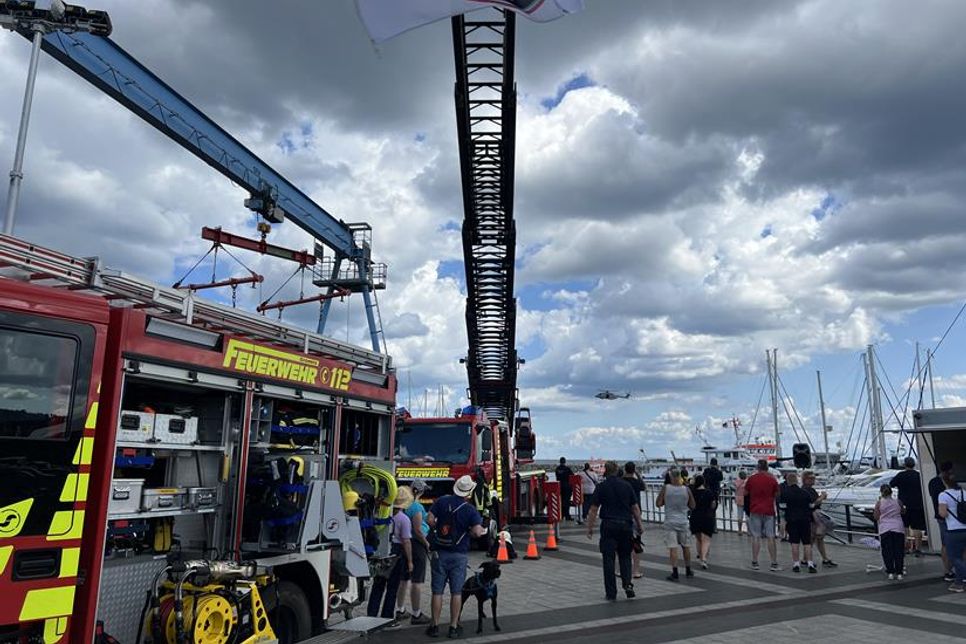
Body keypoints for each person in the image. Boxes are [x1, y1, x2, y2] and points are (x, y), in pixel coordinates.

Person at [426, 475, 486, 638]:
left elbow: (429, 519)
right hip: (459, 554)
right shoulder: (470, 510)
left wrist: (438, 529)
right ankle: (453, 627)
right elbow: (477, 532)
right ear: (469, 492)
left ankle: (434, 626)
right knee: (456, 592)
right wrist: (472, 532)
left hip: (440, 552)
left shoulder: (442, 501)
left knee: (437, 591)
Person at [585, 461, 644, 600]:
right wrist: (639, 525)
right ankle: (627, 584)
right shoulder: (627, 486)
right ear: (617, 471)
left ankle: (611, 592)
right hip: (625, 526)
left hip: (608, 525)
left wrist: (590, 528)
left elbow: (593, 509)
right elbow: (635, 508)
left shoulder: (601, 487)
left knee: (608, 559)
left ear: (605, 471)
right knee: (625, 556)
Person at [367, 487, 414, 628]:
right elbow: (406, 541)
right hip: (397, 554)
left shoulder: (381, 514)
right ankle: (386, 617)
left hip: (381, 552)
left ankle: (371, 616)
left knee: (377, 586)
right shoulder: (404, 519)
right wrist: (410, 560)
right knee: (392, 588)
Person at [396, 481, 432, 625]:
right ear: (418, 491)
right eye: (423, 491)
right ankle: (416, 613)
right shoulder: (416, 506)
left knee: (403, 579)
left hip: (404, 544)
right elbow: (417, 529)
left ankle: (400, 609)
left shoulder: (404, 506)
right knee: (417, 580)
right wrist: (426, 543)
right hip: (417, 545)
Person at [657, 467, 695, 580]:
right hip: (683, 521)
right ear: (679, 477)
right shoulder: (686, 489)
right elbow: (693, 505)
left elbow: (658, 503)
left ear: (671, 477)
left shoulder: (666, 488)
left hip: (670, 522)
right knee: (686, 546)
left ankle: (675, 572)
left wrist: (666, 501)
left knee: (673, 548)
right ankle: (688, 570)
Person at [745, 459, 781, 571]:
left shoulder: (752, 479)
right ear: (767, 467)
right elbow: (777, 494)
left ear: (758, 467)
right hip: (769, 510)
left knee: (756, 536)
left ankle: (755, 562)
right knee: (771, 536)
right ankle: (774, 563)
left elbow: (745, 492)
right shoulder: (772, 479)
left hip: (755, 509)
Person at [780, 472, 816, 573]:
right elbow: (811, 506)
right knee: (807, 543)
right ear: (796, 480)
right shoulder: (805, 493)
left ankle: (796, 564)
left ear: (788, 481)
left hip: (792, 520)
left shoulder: (785, 493)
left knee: (794, 543)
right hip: (805, 520)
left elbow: (782, 507)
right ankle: (810, 564)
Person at [890, 457, 926, 554]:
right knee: (917, 527)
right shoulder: (918, 475)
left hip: (904, 505)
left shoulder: (901, 475)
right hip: (918, 505)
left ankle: (905, 547)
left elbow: (891, 484)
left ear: (904, 465)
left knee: (904, 527)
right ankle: (918, 549)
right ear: (914, 465)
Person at [802, 471, 837, 567]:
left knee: (817, 538)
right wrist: (822, 497)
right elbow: (813, 504)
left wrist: (821, 498)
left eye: (814, 478)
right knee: (813, 538)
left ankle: (822, 558)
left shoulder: (810, 490)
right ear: (805, 479)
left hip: (814, 517)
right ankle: (807, 559)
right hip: (811, 517)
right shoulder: (806, 490)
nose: (813, 480)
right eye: (810, 478)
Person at [938, 472, 966, 592]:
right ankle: (958, 583)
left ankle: (962, 578)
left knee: (954, 557)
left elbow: (943, 513)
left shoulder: (943, 495)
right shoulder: (964, 492)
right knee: (963, 556)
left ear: (944, 482)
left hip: (953, 530)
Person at [928, 462, 956, 582]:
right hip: (951, 518)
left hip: (940, 517)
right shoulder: (950, 486)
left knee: (945, 544)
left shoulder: (932, 482)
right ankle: (955, 569)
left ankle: (947, 570)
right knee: (957, 544)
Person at [874, 484, 906, 580]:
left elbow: (876, 516)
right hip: (898, 528)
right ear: (891, 492)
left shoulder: (879, 503)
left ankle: (890, 571)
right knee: (898, 551)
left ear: (881, 492)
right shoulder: (898, 501)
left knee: (887, 551)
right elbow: (903, 511)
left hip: (885, 529)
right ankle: (899, 572)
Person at [689, 474, 717, 569]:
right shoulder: (709, 492)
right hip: (707, 517)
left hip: (695, 517)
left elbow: (690, 505)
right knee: (706, 540)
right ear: (703, 482)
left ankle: (701, 557)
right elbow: (713, 505)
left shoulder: (692, 492)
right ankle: (704, 559)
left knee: (698, 539)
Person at [623, 462, 646, 579]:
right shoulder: (637, 482)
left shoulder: (621, 482)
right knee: (636, 542)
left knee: (622, 542)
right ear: (634, 470)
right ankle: (636, 571)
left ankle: (619, 569)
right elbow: (644, 487)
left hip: (623, 513)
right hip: (636, 513)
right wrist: (638, 475)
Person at [556, 457, 575, 521]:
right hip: (567, 487)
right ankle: (567, 516)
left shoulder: (557, 469)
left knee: (561, 501)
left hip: (560, 487)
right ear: (565, 462)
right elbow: (572, 476)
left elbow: (557, 477)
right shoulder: (567, 469)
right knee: (567, 502)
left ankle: (561, 515)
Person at [734, 470, 748, 535]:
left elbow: (734, 488)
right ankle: (749, 530)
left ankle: (739, 530)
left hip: (738, 499)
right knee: (747, 516)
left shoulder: (736, 482)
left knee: (740, 515)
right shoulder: (747, 482)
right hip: (746, 499)